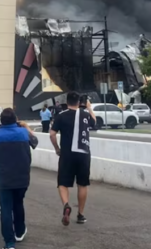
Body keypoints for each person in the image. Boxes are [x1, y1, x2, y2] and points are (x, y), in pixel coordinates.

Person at [0, 108, 38, 249]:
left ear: (1, 121)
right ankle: (19, 232)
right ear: (16, 120)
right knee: (18, 203)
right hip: (22, 178)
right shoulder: (23, 133)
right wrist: (26, 126)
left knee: (6, 208)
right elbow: (35, 142)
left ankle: (9, 243)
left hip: (3, 179)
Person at [50, 91, 96, 226]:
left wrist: (57, 149)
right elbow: (95, 123)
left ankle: (66, 205)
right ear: (79, 103)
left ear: (67, 101)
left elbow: (52, 134)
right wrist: (89, 108)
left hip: (67, 154)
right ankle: (81, 214)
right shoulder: (86, 115)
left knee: (63, 183)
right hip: (83, 154)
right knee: (82, 184)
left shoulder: (61, 116)